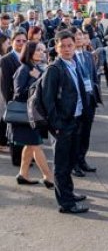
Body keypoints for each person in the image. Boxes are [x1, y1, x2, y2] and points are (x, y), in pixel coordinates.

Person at [42, 30, 90, 214]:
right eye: (63, 46)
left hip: (76, 120)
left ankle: (68, 193)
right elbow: (48, 101)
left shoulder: (74, 64)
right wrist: (57, 125)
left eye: (70, 45)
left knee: (70, 161)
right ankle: (66, 203)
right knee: (61, 165)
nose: (68, 49)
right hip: (62, 125)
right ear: (57, 47)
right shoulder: (54, 69)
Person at [12, 41, 54, 188]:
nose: (42, 53)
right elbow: (18, 94)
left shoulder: (34, 68)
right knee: (36, 145)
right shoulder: (24, 69)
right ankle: (48, 177)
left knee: (30, 146)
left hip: (33, 114)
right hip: (25, 115)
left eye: (43, 50)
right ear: (30, 52)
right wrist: (34, 85)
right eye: (38, 50)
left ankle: (23, 174)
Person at [70, 27, 101, 177]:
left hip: (90, 99)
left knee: (86, 133)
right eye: (75, 35)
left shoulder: (89, 55)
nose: (78, 38)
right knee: (76, 133)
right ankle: (74, 163)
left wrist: (95, 95)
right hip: (77, 101)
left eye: (80, 35)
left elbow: (94, 78)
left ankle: (82, 159)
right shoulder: (69, 57)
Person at [0, 30, 28, 160]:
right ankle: (17, 158)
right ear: (12, 42)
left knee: (26, 131)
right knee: (15, 131)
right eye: (18, 40)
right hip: (14, 101)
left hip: (27, 100)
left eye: (24, 41)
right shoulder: (6, 59)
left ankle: (26, 156)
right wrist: (9, 104)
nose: (21, 43)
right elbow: (5, 85)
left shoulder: (29, 56)